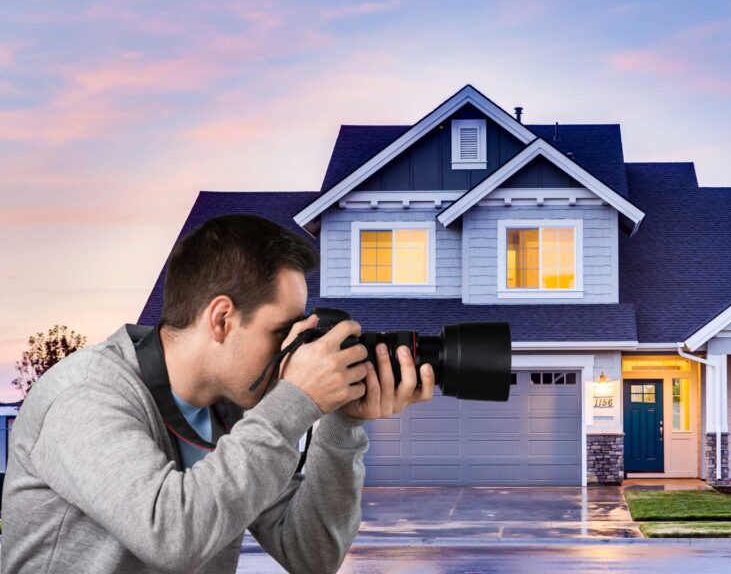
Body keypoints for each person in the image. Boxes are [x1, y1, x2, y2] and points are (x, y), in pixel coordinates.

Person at [0, 214, 434, 573]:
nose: (292, 348)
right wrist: (294, 400)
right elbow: (172, 535)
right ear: (222, 318)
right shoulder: (85, 395)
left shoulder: (236, 412)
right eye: (282, 330)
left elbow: (312, 554)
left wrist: (342, 422)